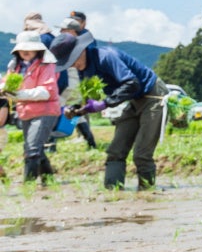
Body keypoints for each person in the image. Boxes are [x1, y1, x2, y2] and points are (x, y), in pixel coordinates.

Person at [49, 32, 168, 189]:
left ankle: (147, 194)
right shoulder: (83, 69)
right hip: (134, 100)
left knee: (141, 153)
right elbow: (89, 97)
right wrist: (77, 109)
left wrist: (105, 103)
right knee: (115, 151)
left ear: (82, 50)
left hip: (153, 96)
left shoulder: (107, 57)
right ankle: (113, 193)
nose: (72, 65)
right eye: (68, 63)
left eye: (73, 60)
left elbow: (132, 84)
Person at [7, 31, 62, 183]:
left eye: (29, 48)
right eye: (22, 48)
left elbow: (47, 92)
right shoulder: (15, 66)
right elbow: (7, 83)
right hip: (25, 112)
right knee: (35, 148)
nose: (25, 51)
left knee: (31, 149)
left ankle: (28, 186)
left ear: (38, 49)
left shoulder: (47, 65)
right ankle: (48, 180)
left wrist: (19, 95)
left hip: (45, 111)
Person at [56, 17, 98, 149]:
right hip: (73, 80)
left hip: (73, 80)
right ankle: (91, 142)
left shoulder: (77, 44)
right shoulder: (80, 41)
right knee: (75, 112)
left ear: (72, 31)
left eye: (64, 30)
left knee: (58, 108)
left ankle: (51, 145)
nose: (61, 32)